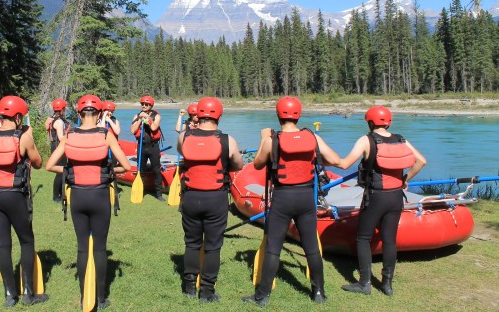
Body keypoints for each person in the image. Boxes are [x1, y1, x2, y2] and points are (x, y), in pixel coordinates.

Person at [243, 96, 342, 308]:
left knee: (273, 247)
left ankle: (262, 296)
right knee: (311, 246)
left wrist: (263, 139)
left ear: (278, 115)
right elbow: (334, 160)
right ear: (298, 115)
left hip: (283, 197)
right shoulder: (312, 137)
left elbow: (259, 164)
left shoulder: (273, 139)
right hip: (306, 197)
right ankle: (319, 293)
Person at [46, 95, 131, 309]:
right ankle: (100, 299)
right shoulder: (106, 134)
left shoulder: (69, 134)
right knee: (100, 249)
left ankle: (85, 296)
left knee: (83, 248)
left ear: (79, 113)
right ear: (100, 113)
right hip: (100, 195)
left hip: (78, 196)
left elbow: (50, 165)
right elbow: (126, 167)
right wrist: (109, 171)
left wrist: (70, 171)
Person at [338, 106, 426, 296]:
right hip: (396, 197)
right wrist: (405, 180)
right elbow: (421, 161)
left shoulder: (366, 140)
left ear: (370, 122)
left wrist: (321, 158)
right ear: (389, 122)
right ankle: (387, 284)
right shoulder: (401, 139)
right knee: (389, 241)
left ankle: (364, 283)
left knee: (363, 238)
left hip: (375, 196)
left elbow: (345, 164)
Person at [0, 96, 48, 307]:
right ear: (18, 117)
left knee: (4, 245)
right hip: (15, 195)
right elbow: (38, 163)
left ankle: (10, 295)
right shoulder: (23, 137)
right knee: (26, 241)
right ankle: (29, 294)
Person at [177, 97, 243, 302]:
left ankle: (189, 287)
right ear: (219, 116)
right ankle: (206, 292)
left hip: (190, 196)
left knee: (192, 243)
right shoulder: (228, 140)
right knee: (213, 246)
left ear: (199, 114)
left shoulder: (184, 137)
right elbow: (238, 165)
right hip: (216, 198)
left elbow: (183, 154)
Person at [129, 95, 165, 200]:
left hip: (153, 146)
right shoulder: (136, 116)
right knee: (141, 169)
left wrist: (147, 118)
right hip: (142, 146)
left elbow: (154, 127)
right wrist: (140, 119)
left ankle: (159, 194)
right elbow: (132, 130)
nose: (144, 106)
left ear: (151, 105)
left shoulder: (157, 116)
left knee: (156, 170)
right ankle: (140, 191)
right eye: (142, 104)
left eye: (146, 104)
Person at [48, 98, 70, 203]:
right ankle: (57, 196)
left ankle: (60, 194)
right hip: (59, 148)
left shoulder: (52, 119)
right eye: (64, 109)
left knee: (62, 172)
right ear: (62, 110)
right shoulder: (59, 122)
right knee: (61, 172)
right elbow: (61, 138)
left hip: (55, 146)